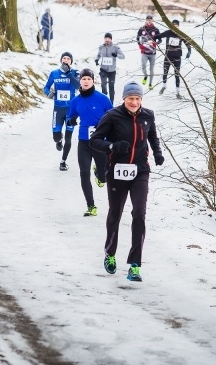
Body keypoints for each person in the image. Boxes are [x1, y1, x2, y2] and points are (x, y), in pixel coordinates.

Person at [90, 82, 163, 283]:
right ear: (124, 99)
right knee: (115, 213)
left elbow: (153, 136)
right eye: (130, 98)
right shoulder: (112, 116)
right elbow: (95, 140)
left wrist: (157, 152)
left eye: (137, 98)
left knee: (139, 213)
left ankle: (135, 266)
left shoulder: (148, 116)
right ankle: (110, 253)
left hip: (140, 171)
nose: (134, 102)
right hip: (117, 172)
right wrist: (112, 145)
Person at [66, 68, 113, 216]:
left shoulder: (103, 99)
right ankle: (91, 206)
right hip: (84, 142)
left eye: (89, 79)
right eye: (83, 79)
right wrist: (71, 120)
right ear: (79, 81)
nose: (86, 81)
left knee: (103, 177)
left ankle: (99, 173)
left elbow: (113, 118)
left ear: (93, 81)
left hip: (100, 142)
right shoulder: (75, 101)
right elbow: (69, 118)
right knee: (84, 173)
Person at [43, 52, 79, 170]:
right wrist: (49, 93)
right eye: (64, 58)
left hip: (70, 110)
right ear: (61, 60)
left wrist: (69, 73)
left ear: (71, 61)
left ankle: (63, 161)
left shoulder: (75, 73)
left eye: (68, 58)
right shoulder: (54, 73)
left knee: (69, 137)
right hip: (58, 110)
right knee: (56, 137)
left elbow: (78, 86)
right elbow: (46, 87)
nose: (66, 60)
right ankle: (59, 140)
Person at [156, 19, 192, 98]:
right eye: (173, 26)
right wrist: (156, 39)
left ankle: (177, 92)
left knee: (177, 75)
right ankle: (164, 86)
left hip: (177, 57)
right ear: (171, 26)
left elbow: (187, 43)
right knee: (165, 72)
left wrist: (189, 51)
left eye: (176, 26)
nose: (175, 28)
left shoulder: (180, 34)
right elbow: (158, 36)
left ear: (178, 26)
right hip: (168, 56)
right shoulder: (168, 32)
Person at [94, 32, 125, 103]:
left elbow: (123, 56)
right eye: (106, 38)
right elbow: (98, 55)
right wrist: (96, 60)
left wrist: (116, 55)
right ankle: (104, 100)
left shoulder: (115, 47)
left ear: (111, 39)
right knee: (103, 84)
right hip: (103, 69)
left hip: (112, 71)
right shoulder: (101, 47)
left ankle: (111, 103)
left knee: (111, 86)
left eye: (108, 38)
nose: (107, 40)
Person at [136, 14, 160, 89]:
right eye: (148, 20)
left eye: (150, 20)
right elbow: (137, 37)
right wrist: (139, 44)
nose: (149, 21)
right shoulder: (142, 29)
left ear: (152, 20)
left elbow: (160, 39)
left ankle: (150, 83)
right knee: (143, 66)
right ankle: (145, 76)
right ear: (146, 21)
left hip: (152, 53)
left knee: (151, 69)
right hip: (144, 52)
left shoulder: (155, 30)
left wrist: (155, 43)